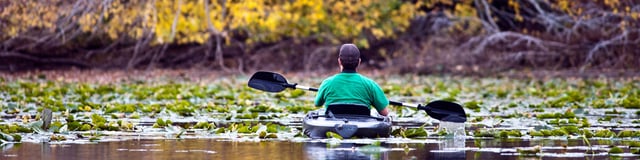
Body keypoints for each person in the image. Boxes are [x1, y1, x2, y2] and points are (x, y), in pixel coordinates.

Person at [314, 44, 390, 116]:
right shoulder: (370, 85)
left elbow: (317, 103)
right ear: (359, 62)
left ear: (339, 61)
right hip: (362, 126)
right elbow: (385, 113)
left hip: (333, 125)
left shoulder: (327, 83)